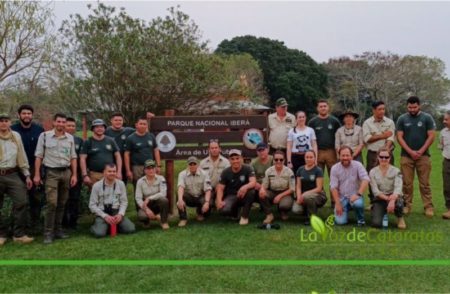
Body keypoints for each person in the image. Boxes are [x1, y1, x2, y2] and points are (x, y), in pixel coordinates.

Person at [34, 113, 77, 244]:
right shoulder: (45, 136)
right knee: (52, 203)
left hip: (66, 172)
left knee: (62, 203)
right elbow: (39, 156)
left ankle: (58, 230)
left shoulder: (70, 138)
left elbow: (73, 157)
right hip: (52, 173)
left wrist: (74, 174)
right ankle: (48, 233)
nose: (61, 124)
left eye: (63, 122)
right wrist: (36, 174)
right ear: (54, 122)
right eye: (59, 121)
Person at [396, 96, 436, 217]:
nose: (412, 109)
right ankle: (407, 205)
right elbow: (399, 137)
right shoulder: (402, 119)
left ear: (419, 105)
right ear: (406, 106)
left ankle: (428, 206)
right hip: (406, 156)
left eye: (414, 107)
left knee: (425, 183)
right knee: (407, 183)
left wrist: (420, 151)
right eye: (409, 107)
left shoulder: (427, 118)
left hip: (423, 156)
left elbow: (431, 136)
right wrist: (410, 151)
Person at [0, 113, 34, 245]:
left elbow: (21, 155)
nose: (3, 123)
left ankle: (18, 234)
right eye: (1, 121)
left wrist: (27, 175)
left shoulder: (16, 136)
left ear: (10, 122)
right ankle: (1, 234)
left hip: (13, 173)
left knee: (22, 201)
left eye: (6, 121)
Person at [11, 104, 44, 234]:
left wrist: (39, 172)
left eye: (29, 113)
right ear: (19, 115)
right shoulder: (12, 130)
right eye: (24, 113)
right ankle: (18, 226)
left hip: (35, 168)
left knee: (35, 198)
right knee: (19, 199)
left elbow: (42, 151)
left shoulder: (39, 130)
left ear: (32, 115)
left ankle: (34, 225)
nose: (26, 116)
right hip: (16, 169)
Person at [88, 163, 135, 237]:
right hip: (102, 213)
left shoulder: (121, 184)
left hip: (116, 212)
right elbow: (92, 205)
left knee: (130, 229)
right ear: (104, 172)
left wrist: (120, 214)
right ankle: (96, 226)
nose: (112, 173)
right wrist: (105, 216)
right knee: (99, 234)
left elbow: (124, 202)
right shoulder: (96, 186)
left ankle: (111, 226)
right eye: (109, 171)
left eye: (114, 171)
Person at [362, 101, 396, 202]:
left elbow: (391, 137)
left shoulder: (390, 122)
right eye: (379, 109)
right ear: (373, 110)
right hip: (372, 154)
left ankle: (389, 200)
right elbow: (367, 139)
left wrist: (385, 149)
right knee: (372, 177)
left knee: (389, 176)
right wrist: (383, 135)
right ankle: (374, 201)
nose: (382, 111)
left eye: (383, 109)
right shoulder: (367, 123)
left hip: (387, 154)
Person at [330, 146, 370, 226]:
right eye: (343, 155)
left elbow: (366, 179)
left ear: (351, 156)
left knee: (358, 204)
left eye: (347, 155)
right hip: (342, 198)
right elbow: (333, 187)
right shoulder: (334, 168)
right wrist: (337, 203)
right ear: (339, 156)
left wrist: (358, 194)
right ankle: (345, 212)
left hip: (355, 196)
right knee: (340, 222)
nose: (345, 158)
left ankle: (360, 219)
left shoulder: (358, 165)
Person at [369, 147, 406, 229]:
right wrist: (388, 199)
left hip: (394, 197)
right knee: (376, 224)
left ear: (390, 158)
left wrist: (392, 200)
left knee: (399, 203)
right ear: (378, 157)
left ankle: (400, 217)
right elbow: (375, 191)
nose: (384, 159)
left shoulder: (396, 171)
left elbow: (398, 188)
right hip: (380, 198)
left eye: (386, 157)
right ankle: (380, 210)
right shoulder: (372, 172)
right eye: (381, 157)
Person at [215, 149, 256, 225]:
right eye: (232, 159)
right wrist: (219, 200)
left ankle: (244, 217)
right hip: (231, 196)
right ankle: (235, 212)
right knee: (223, 211)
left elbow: (253, 182)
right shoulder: (225, 172)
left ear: (242, 159)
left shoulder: (248, 168)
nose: (235, 161)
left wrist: (245, 187)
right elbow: (220, 188)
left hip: (244, 195)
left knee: (252, 192)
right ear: (229, 160)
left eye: (237, 158)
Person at [124, 117, 161, 201]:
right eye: (141, 124)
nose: (143, 126)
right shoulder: (130, 138)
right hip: (137, 167)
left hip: (151, 167)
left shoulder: (151, 136)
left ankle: (152, 208)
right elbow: (126, 154)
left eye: (144, 124)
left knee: (152, 187)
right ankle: (140, 210)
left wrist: (158, 165)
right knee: (138, 188)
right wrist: (128, 170)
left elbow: (156, 150)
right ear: (136, 125)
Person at [80, 119, 121, 187]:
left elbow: (118, 156)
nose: (100, 129)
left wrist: (119, 172)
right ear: (93, 129)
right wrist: (85, 175)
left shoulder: (111, 140)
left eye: (102, 127)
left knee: (110, 195)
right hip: (94, 175)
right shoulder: (88, 142)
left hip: (110, 174)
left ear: (104, 128)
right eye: (97, 127)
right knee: (95, 196)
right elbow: (82, 159)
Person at [259, 150, 294, 223]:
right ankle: (269, 215)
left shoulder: (289, 171)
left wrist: (280, 196)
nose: (278, 161)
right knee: (262, 194)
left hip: (285, 193)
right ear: (273, 160)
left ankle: (283, 212)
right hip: (273, 192)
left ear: (284, 160)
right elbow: (265, 184)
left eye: (281, 159)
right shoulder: (269, 171)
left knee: (285, 205)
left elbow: (292, 189)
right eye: (276, 159)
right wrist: (262, 189)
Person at [292, 150, 327, 225]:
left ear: (315, 158)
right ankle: (306, 210)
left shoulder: (318, 170)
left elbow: (319, 188)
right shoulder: (300, 169)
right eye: (307, 157)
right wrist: (298, 197)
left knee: (308, 197)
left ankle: (312, 218)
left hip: (318, 195)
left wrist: (304, 194)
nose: (309, 159)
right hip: (303, 195)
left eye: (311, 157)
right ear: (304, 158)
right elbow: (298, 186)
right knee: (296, 210)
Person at [308, 100, 341, 177]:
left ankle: (333, 189)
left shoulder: (334, 121)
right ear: (317, 108)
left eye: (325, 106)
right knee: (318, 175)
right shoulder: (312, 122)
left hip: (331, 151)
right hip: (318, 151)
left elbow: (339, 136)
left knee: (334, 174)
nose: (323, 108)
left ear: (328, 107)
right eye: (321, 106)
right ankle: (320, 189)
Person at [176, 156, 212, 227]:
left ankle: (200, 213)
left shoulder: (204, 173)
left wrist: (207, 202)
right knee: (179, 196)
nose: (192, 166)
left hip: (200, 197)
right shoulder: (182, 174)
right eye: (190, 164)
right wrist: (180, 199)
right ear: (188, 165)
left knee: (208, 205)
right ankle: (183, 219)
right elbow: (180, 187)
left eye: (194, 164)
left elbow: (208, 189)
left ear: (198, 165)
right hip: (190, 197)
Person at [62, 117, 84, 229]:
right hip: (62, 173)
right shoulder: (60, 139)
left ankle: (74, 222)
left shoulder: (79, 141)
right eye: (68, 125)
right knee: (63, 199)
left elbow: (82, 158)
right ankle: (63, 222)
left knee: (75, 198)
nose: (71, 128)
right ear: (64, 126)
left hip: (76, 175)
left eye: (73, 126)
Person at [135, 159, 169, 230]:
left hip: (157, 203)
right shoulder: (140, 181)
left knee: (164, 200)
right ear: (144, 170)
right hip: (146, 205)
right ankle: (147, 221)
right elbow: (138, 198)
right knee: (142, 216)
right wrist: (147, 209)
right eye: (148, 168)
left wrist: (150, 198)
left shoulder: (161, 178)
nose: (151, 170)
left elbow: (163, 193)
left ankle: (164, 222)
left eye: (153, 168)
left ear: (155, 169)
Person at [105, 113, 136, 183]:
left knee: (122, 184)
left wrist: (149, 120)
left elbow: (143, 131)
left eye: (120, 120)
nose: (118, 122)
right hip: (110, 163)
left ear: (123, 121)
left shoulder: (129, 131)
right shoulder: (106, 131)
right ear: (111, 121)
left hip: (124, 163)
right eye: (116, 120)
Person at [438, 110, 450, 219]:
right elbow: (441, 146)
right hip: (447, 161)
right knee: (447, 186)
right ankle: (449, 209)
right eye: (444, 119)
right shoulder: (443, 132)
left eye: (446, 119)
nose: (444, 121)